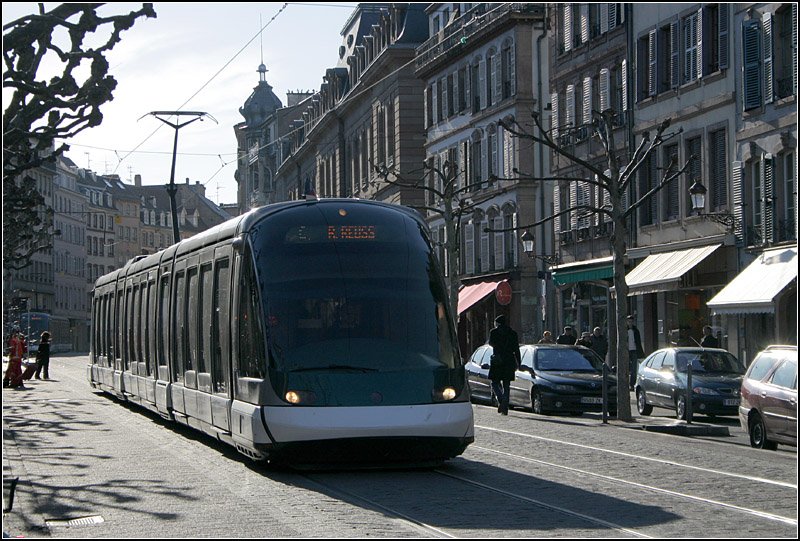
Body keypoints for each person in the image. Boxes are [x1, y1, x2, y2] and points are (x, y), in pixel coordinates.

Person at [488, 314, 521, 416]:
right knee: (506, 384)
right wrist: (519, 362)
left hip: (497, 359)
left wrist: (498, 347)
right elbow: (516, 349)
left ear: (497, 323)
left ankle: (501, 399)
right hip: (509, 360)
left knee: (494, 382)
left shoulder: (494, 332)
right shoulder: (513, 333)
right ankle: (505, 404)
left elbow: (491, 343)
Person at [626, 315, 644, 390]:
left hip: (634, 351)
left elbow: (638, 342)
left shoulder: (636, 331)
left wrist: (640, 352)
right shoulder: (624, 330)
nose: (630, 323)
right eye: (629, 321)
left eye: (631, 321)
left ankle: (632, 384)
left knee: (633, 369)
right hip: (626, 351)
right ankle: (625, 384)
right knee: (626, 368)